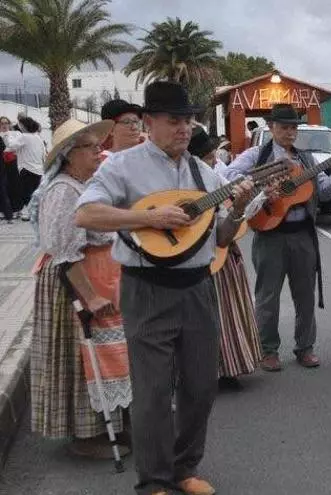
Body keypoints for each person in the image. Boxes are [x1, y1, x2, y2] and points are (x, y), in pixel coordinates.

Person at [75, 80, 254, 495]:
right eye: (174, 120)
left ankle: (184, 469)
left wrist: (239, 209)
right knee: (153, 391)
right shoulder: (122, 166)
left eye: (187, 120)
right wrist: (147, 219)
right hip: (147, 288)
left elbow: (220, 237)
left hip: (198, 287)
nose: (183, 128)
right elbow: (86, 214)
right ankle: (154, 481)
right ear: (149, 122)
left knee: (200, 386)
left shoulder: (203, 173)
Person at [28, 117, 132, 460]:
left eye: (98, 146)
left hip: (100, 278)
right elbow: (65, 252)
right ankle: (87, 436)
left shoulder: (84, 185)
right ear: (69, 155)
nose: (98, 152)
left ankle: (112, 424)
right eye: (90, 148)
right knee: (81, 358)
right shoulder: (63, 190)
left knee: (107, 356)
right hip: (74, 285)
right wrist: (90, 296)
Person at [224, 104, 331, 371]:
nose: (290, 132)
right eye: (284, 127)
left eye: (293, 127)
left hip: (302, 234)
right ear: (271, 127)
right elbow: (227, 176)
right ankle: (268, 350)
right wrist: (264, 180)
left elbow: (324, 192)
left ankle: (305, 347)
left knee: (305, 296)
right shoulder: (257, 154)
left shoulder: (306, 160)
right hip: (270, 233)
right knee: (267, 296)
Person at [186, 127, 261, 391]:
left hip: (221, 253)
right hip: (193, 257)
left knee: (228, 312)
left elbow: (231, 215)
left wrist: (255, 198)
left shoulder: (213, 177)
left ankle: (229, 367)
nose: (214, 161)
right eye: (208, 157)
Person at [1, 115, 46, 220]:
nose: (19, 127)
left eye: (20, 125)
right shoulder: (38, 138)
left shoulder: (24, 137)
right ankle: (37, 213)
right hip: (38, 169)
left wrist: (6, 135)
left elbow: (11, 145)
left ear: (24, 126)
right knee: (34, 192)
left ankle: (30, 213)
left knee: (26, 193)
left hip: (27, 169)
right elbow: (42, 153)